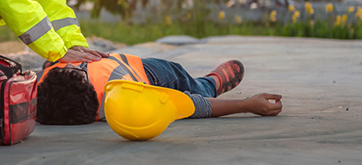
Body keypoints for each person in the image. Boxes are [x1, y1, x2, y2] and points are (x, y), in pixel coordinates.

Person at [36, 53, 283, 125]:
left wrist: (248, 105)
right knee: (186, 85)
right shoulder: (42, 81)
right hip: (135, 70)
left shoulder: (128, 93)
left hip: (142, 68)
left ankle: (207, 83)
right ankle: (208, 83)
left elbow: (191, 105)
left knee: (183, 79)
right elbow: (188, 105)